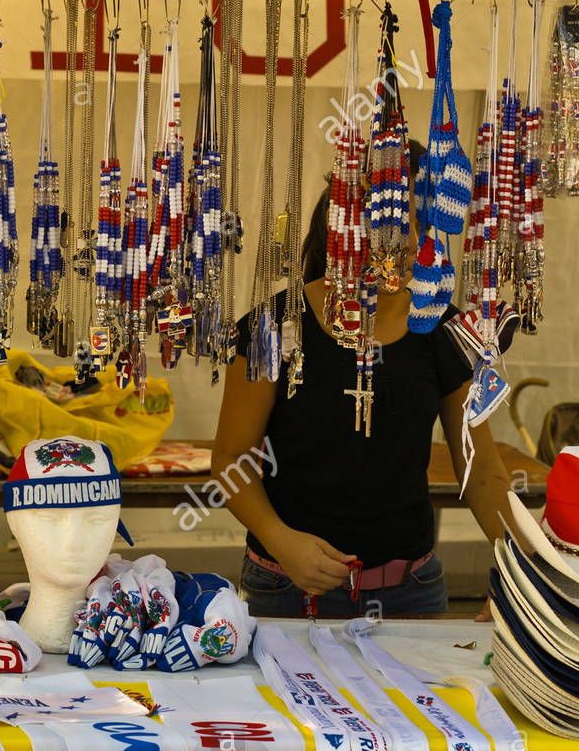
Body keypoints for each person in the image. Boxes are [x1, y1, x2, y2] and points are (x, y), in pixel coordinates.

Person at [213, 141, 512, 620]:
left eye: (423, 221)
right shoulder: (275, 325)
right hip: (289, 588)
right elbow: (230, 459)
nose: (413, 240)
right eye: (397, 221)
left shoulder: (446, 330)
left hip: (410, 591)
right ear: (350, 221)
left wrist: (517, 576)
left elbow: (481, 469)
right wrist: (281, 540)